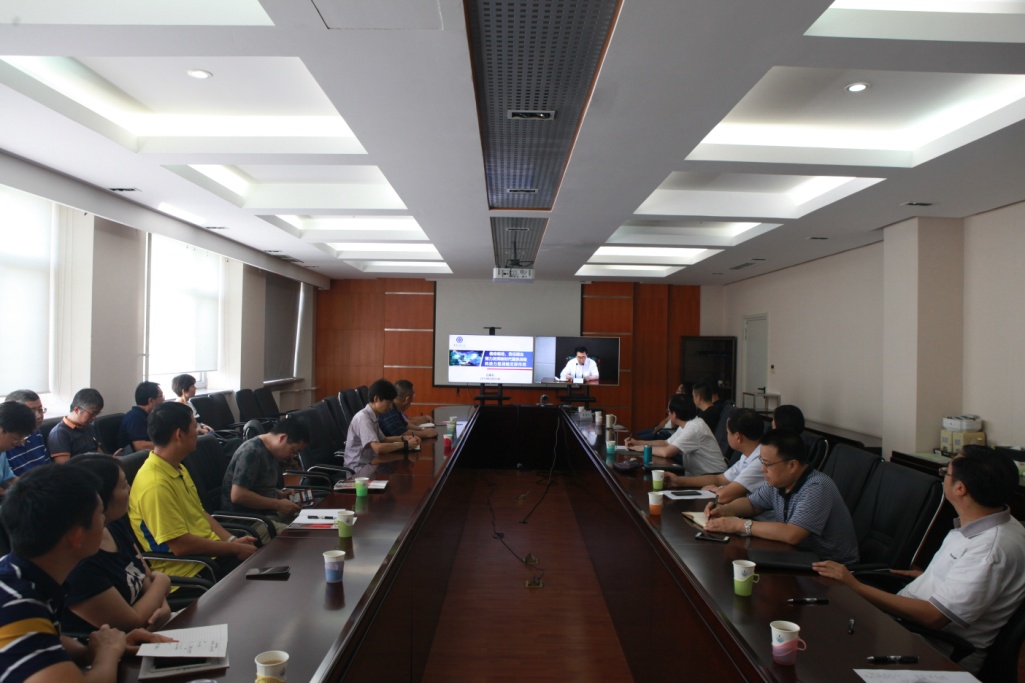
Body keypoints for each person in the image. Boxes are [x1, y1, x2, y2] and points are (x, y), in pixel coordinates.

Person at [814, 446, 1025, 673]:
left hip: (931, 649)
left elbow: (933, 617)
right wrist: (930, 576)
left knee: (823, 645)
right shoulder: (995, 521)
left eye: (946, 472)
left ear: (960, 488)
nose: (943, 477)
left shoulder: (989, 550)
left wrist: (856, 586)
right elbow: (973, 581)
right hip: (908, 625)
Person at [0, 466, 170, 683]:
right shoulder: (17, 606)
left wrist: (98, 650)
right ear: (77, 537)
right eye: (100, 514)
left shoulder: (21, 574)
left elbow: (49, 639)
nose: (105, 520)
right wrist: (107, 654)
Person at [128, 402, 257, 580]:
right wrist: (234, 548)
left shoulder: (177, 467)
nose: (198, 431)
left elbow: (199, 513)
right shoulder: (154, 485)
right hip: (191, 571)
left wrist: (232, 540)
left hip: (210, 556)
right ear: (179, 435)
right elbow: (181, 546)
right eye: (194, 427)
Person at [705, 429, 859, 564]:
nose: (762, 469)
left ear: (792, 465)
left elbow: (792, 534)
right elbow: (752, 504)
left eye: (767, 464)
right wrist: (723, 510)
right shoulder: (779, 482)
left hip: (831, 568)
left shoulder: (817, 487)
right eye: (761, 462)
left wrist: (739, 525)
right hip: (796, 557)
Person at [62, 455, 172, 633]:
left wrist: (163, 607)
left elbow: (144, 576)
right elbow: (132, 622)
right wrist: (163, 580)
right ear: (101, 498)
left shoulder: (113, 524)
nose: (129, 489)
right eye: (123, 485)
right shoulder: (79, 564)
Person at [221, 416, 310, 538]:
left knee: (310, 524)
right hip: (247, 522)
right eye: (293, 451)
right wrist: (277, 504)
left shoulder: (271, 451)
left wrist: (280, 494)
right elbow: (238, 495)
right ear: (282, 438)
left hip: (266, 514)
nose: (292, 457)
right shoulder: (251, 452)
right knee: (298, 537)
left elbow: (257, 487)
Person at [663, 408, 767, 506]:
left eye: (728, 432)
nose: (727, 435)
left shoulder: (760, 461)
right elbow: (719, 479)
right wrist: (679, 481)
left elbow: (724, 496)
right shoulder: (747, 455)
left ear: (738, 437)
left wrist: (721, 490)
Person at [624, 393, 725, 476]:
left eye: (668, 411)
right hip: (699, 475)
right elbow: (666, 443)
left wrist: (639, 448)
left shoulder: (694, 429)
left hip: (713, 477)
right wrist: (638, 442)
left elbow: (666, 452)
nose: (667, 414)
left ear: (674, 414)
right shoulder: (688, 423)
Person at [344, 378, 421, 476]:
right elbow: (378, 448)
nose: (390, 407)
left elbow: (383, 439)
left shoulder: (374, 415)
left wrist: (403, 438)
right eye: (389, 403)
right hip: (358, 471)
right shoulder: (363, 418)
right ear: (376, 399)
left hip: (371, 464)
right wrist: (406, 444)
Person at [47, 388, 105, 463]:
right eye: (92, 413)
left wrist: (111, 460)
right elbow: (64, 467)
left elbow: (97, 451)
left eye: (97, 414)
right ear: (76, 409)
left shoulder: (88, 427)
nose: (94, 417)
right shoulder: (59, 433)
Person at [2, 389, 51, 474]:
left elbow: (48, 466)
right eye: (31, 411)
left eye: (40, 409)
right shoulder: (5, 444)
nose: (38, 416)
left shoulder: (36, 433)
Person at [117, 381, 164, 452]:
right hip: (133, 456)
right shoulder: (134, 417)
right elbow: (140, 446)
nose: (163, 399)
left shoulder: (149, 414)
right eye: (160, 396)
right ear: (151, 400)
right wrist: (167, 446)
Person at [0, 401, 35, 489]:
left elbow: (9, 479)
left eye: (22, 438)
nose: (19, 443)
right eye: (17, 438)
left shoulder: (2, 451)